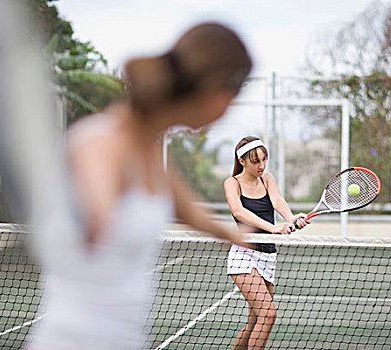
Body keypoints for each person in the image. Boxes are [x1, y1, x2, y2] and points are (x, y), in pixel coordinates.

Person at [27, 23, 253, 350]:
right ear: (215, 93)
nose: (229, 110)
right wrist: (95, 220)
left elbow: (185, 209)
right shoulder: (103, 140)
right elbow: (97, 202)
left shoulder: (148, 148)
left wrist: (234, 235)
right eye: (234, 98)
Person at [224, 136, 309, 350]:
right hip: (243, 255)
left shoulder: (267, 179)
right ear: (242, 161)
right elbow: (238, 211)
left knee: (255, 320)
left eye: (264, 159)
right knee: (269, 315)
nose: (261, 165)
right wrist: (273, 227)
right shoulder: (232, 183)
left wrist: (290, 219)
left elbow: (277, 201)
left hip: (268, 256)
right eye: (255, 161)